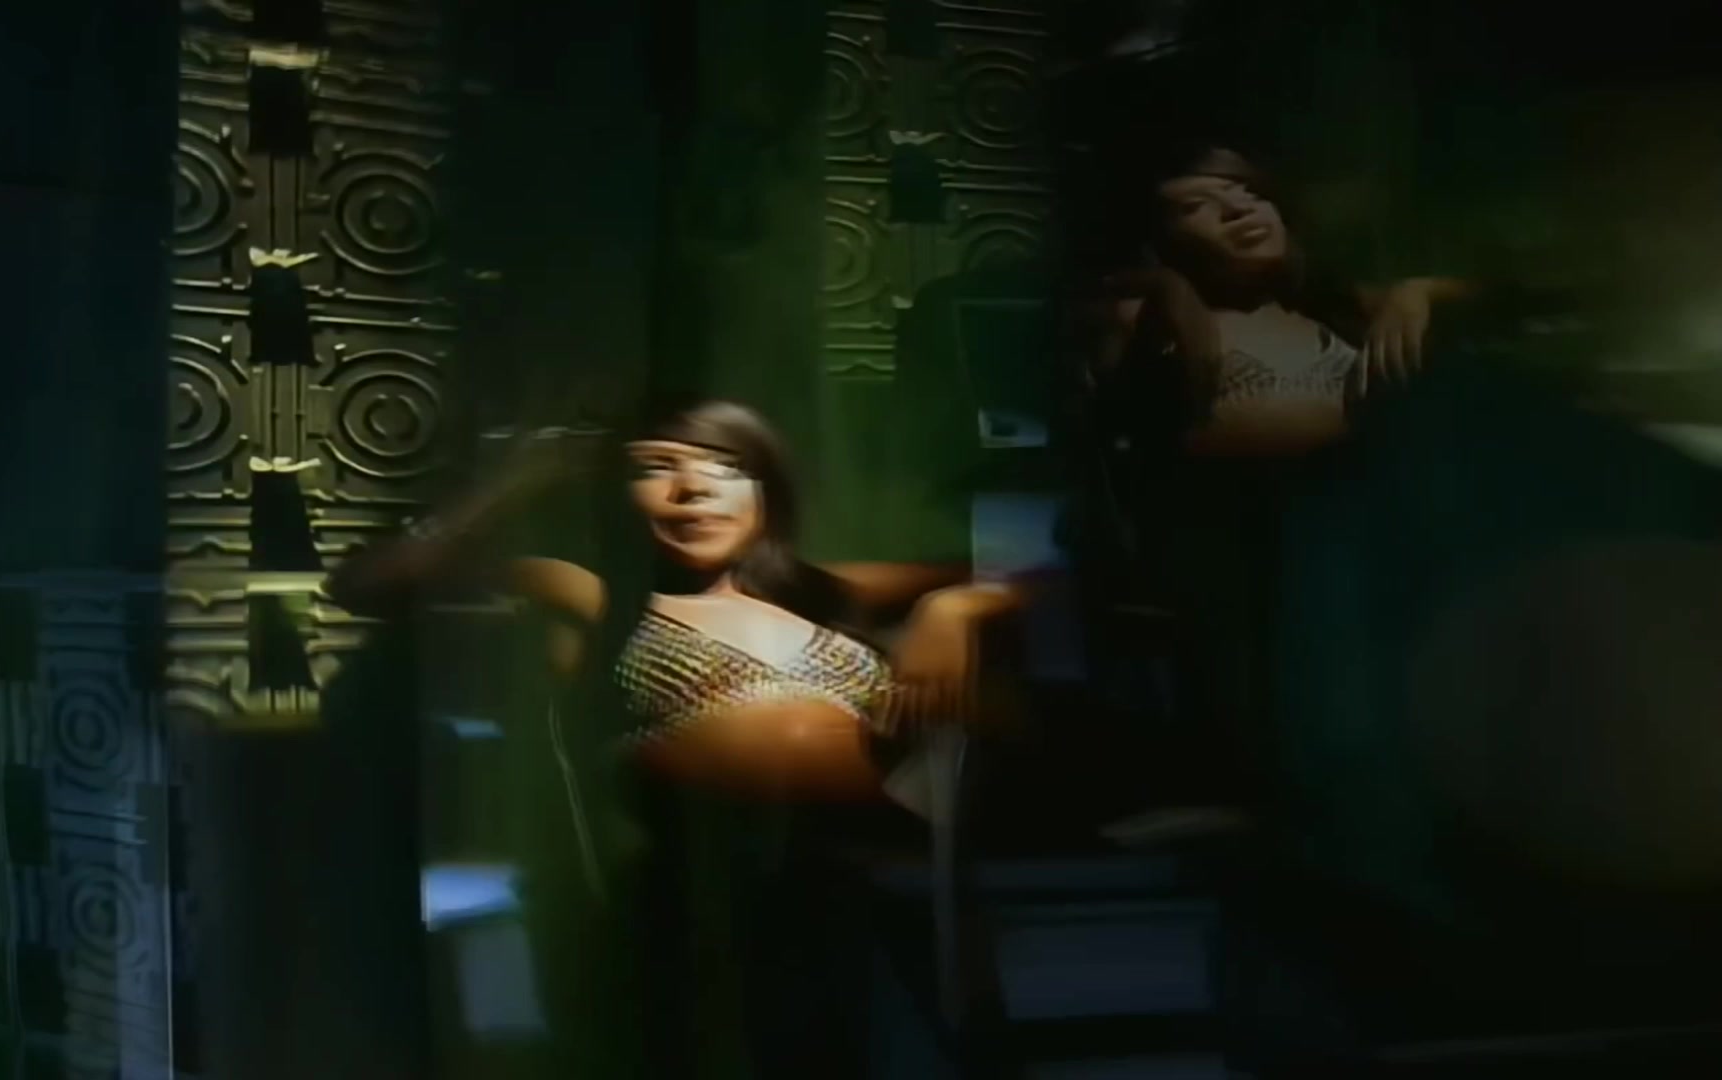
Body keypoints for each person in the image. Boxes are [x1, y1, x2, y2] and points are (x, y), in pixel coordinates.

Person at [325, 398, 1027, 1077]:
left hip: (893, 898)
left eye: (726, 466)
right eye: (656, 466)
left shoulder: (818, 591)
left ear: (765, 488)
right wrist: (523, 479)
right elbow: (369, 584)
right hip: (715, 916)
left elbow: (1026, 567)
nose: (694, 487)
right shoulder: (594, 593)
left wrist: (953, 609)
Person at [1075, 141, 1472, 819]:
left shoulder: (1331, 308)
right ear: (1160, 239)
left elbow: (1498, 295)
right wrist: (1167, 290)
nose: (1238, 210)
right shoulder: (1149, 317)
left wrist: (1418, 292)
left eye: (1250, 194)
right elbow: (1093, 321)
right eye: (1199, 206)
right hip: (1242, 552)